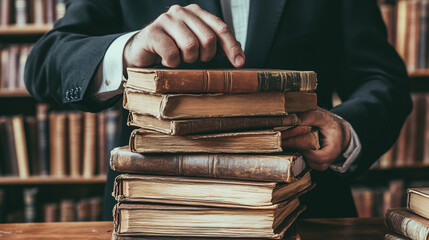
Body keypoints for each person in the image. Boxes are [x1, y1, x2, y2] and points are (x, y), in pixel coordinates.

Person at [24, 0, 412, 219]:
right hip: (159, 212)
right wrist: (129, 49)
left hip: (303, 208)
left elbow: (382, 79)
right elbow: (45, 64)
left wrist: (346, 126)